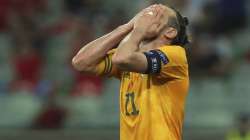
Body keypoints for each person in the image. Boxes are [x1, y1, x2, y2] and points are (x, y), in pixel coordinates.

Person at [72, 4, 189, 140]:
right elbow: (81, 62)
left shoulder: (175, 55)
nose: (147, 15)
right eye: (147, 12)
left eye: (158, 15)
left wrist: (138, 30)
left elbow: (122, 59)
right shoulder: (128, 56)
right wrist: (127, 26)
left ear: (170, 32)